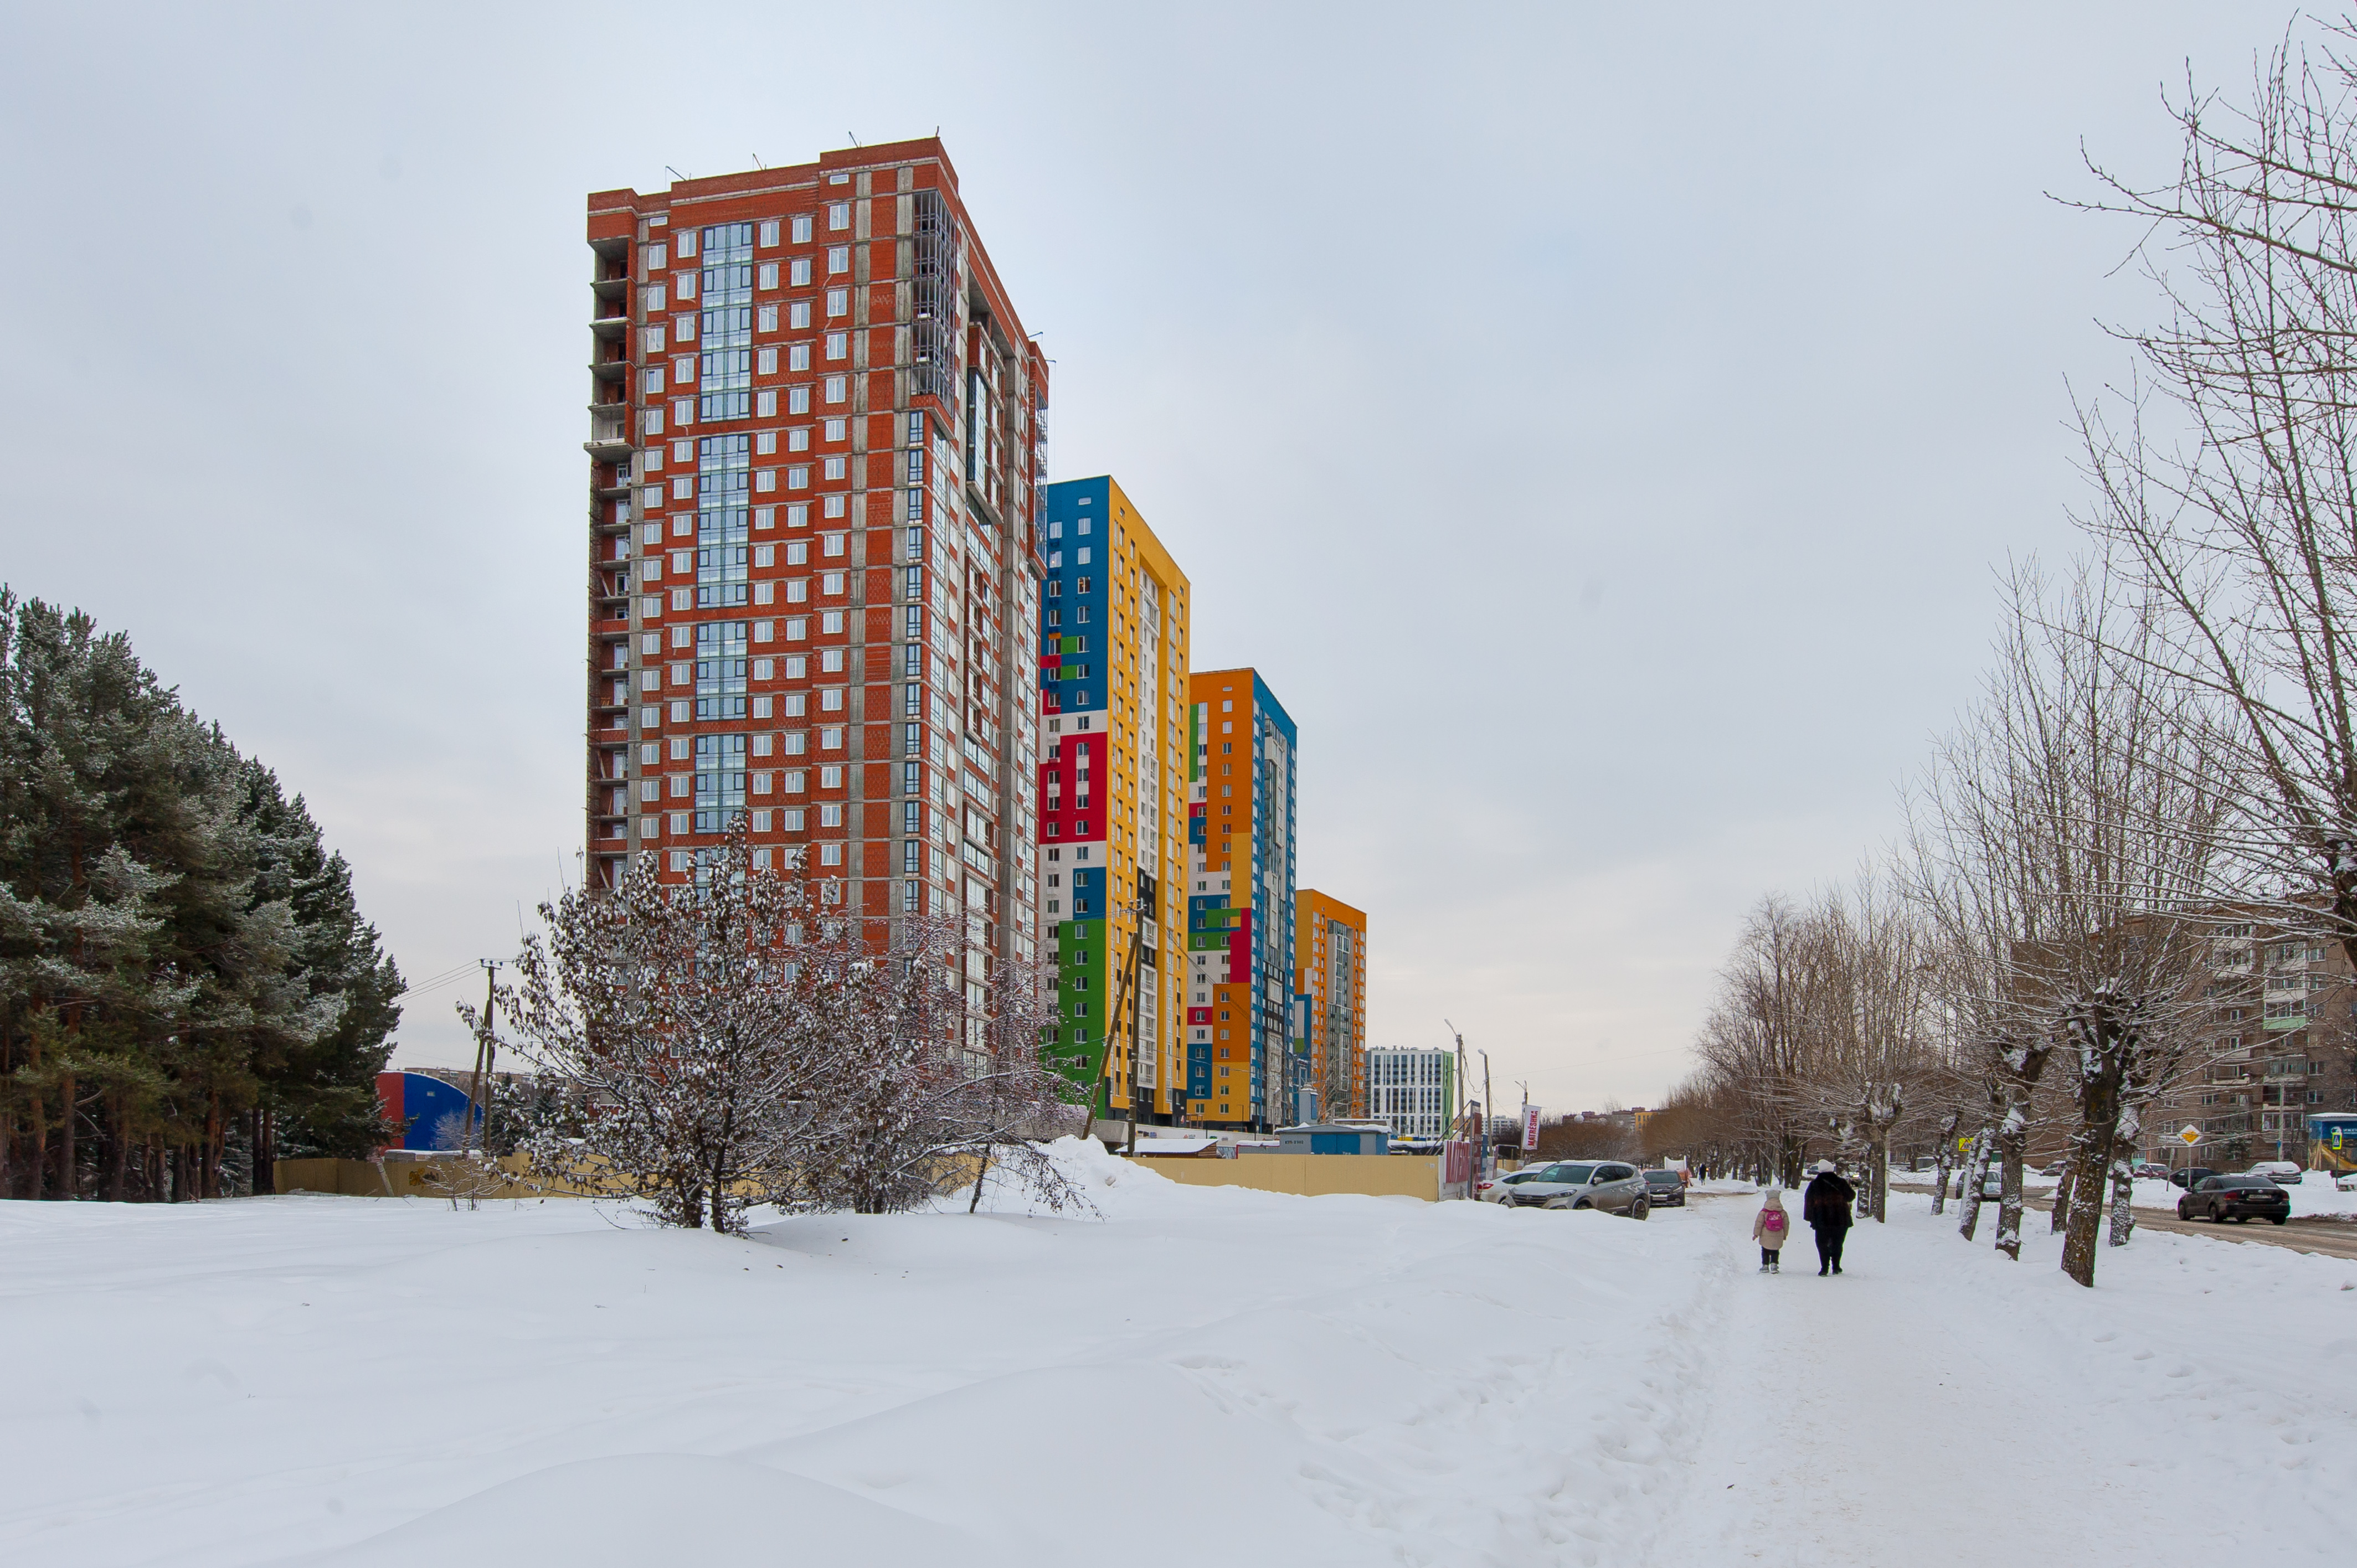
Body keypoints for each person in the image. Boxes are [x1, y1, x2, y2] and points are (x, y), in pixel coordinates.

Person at [1802, 1160, 1856, 1276]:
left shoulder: (1814, 1185)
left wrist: (1809, 1217)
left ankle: (1824, 1268)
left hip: (1822, 1219)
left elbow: (1809, 1201)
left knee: (1822, 1244)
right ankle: (1836, 1267)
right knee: (1838, 1243)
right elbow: (1851, 1196)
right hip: (1840, 1219)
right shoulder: (1841, 1182)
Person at [1751, 1188, 1790, 1272]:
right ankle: (1774, 1266)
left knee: (1765, 1250)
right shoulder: (1783, 1212)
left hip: (1766, 1234)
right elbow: (1786, 1224)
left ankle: (1765, 1266)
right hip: (1778, 1234)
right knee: (1776, 1250)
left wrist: (1756, 1234)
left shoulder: (1764, 1212)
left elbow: (1759, 1224)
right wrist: (1785, 1235)